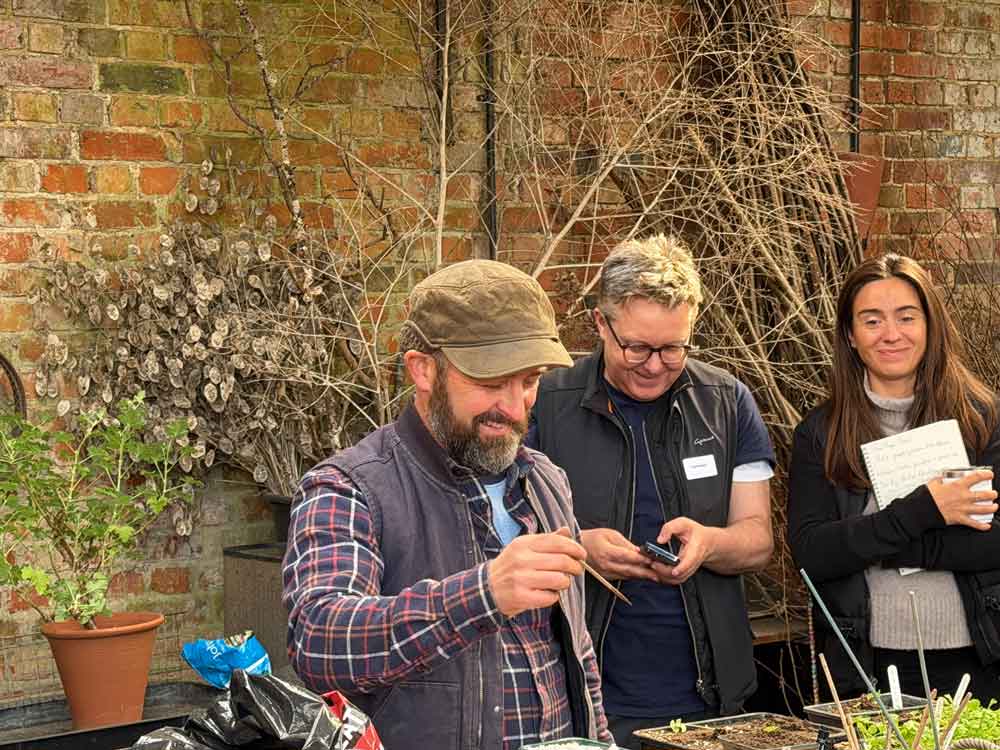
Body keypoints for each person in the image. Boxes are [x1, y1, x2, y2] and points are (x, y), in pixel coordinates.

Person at [282, 260, 611, 750]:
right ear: (424, 370)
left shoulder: (546, 479)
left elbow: (577, 654)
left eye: (529, 381)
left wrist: (601, 739)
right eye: (491, 382)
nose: (515, 406)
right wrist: (484, 592)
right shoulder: (349, 487)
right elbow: (320, 642)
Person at [528, 235, 775, 749]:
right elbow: (496, 537)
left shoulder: (727, 402)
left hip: (712, 702)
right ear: (601, 324)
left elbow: (757, 539)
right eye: (637, 347)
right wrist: (580, 548)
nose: (655, 364)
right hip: (584, 701)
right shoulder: (545, 406)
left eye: (673, 348)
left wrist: (709, 544)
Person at [789, 253, 1000, 699]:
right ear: (850, 335)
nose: (891, 334)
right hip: (869, 665)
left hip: (980, 660)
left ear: (930, 326)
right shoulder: (820, 433)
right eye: (872, 320)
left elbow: (994, 541)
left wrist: (878, 544)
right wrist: (925, 509)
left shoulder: (984, 419)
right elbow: (812, 553)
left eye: (906, 317)